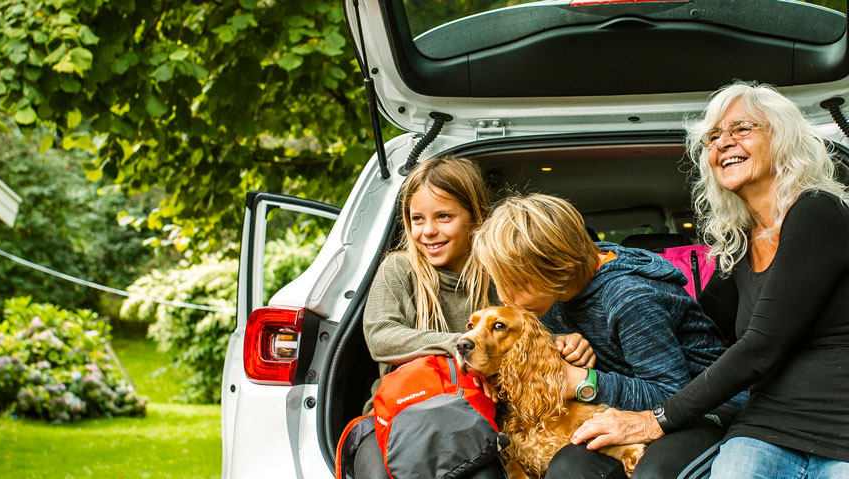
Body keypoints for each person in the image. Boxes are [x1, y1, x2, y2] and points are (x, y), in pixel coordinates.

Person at [569, 81, 849, 478]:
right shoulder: (738, 245)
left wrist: (656, 419)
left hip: (840, 430)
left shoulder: (819, 212)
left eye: (742, 129)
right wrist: (587, 334)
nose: (723, 143)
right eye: (713, 137)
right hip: (763, 430)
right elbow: (690, 325)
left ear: (783, 135)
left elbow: (761, 347)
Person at [471, 193, 741, 479]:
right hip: (626, 410)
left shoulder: (629, 299)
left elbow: (674, 395)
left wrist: (584, 382)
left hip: (706, 410)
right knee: (568, 466)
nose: (504, 296)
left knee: (652, 473)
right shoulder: (552, 295)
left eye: (512, 282)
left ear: (551, 268)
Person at [355, 156, 594, 479]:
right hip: (398, 414)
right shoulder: (400, 269)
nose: (428, 231)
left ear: (475, 218)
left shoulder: (498, 276)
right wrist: (464, 344)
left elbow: (525, 337)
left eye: (443, 217)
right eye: (417, 219)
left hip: (479, 413)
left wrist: (564, 342)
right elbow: (381, 338)